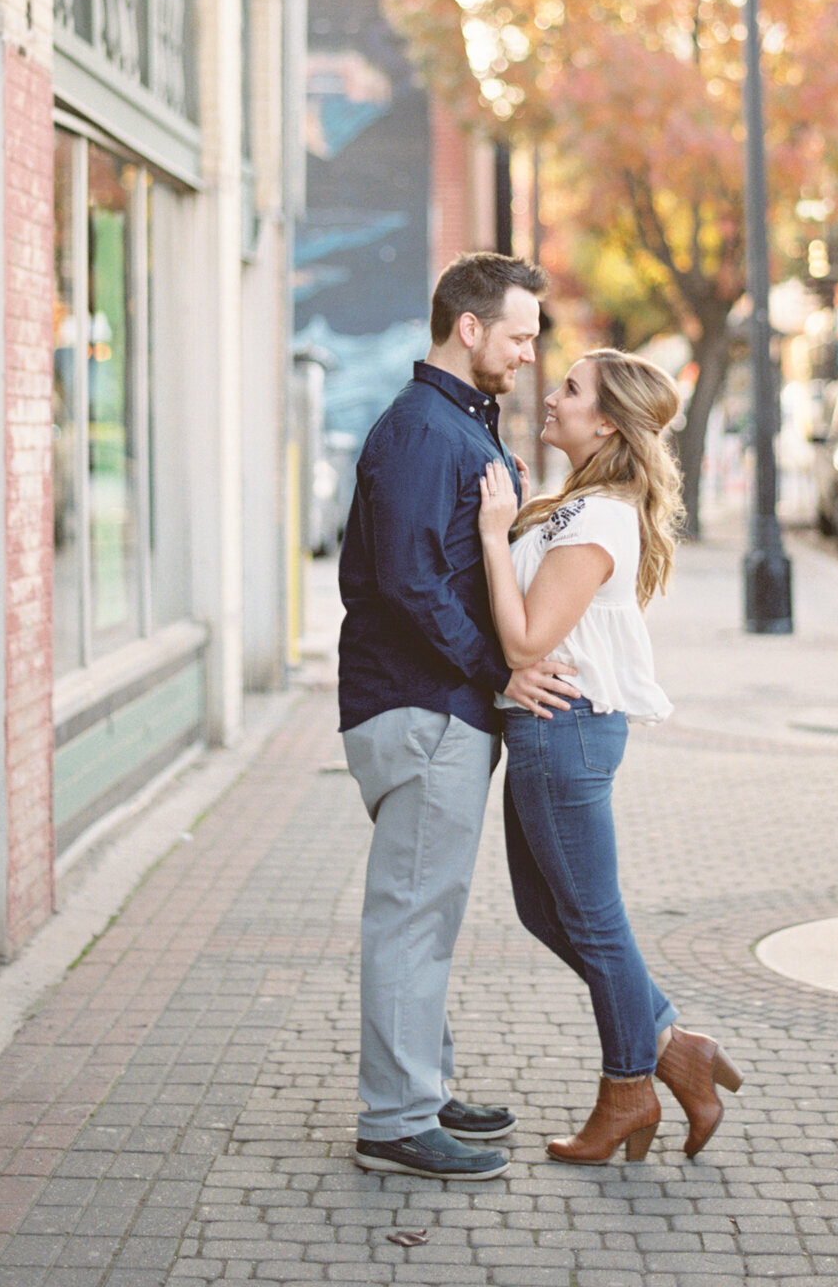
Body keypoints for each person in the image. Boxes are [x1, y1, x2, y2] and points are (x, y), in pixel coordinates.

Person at [338, 252, 581, 1181]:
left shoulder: (452, 428)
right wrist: (499, 673)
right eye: (519, 335)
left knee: (425, 914)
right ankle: (395, 1122)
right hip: (422, 708)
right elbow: (403, 581)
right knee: (409, 916)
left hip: (437, 707)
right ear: (468, 327)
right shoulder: (422, 433)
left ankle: (423, 1089)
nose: (528, 354)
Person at [477, 349, 743, 1164]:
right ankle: (674, 1049)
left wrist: (494, 532)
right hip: (550, 731)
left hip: (567, 732)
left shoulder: (598, 517)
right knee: (546, 911)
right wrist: (519, 516)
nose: (550, 397)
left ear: (605, 422)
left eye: (569, 389)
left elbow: (524, 636)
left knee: (593, 921)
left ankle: (629, 1089)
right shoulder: (574, 505)